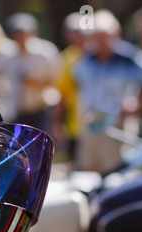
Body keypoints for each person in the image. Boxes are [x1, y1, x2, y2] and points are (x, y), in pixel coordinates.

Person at [73, 10, 142, 173]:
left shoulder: (128, 57)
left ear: (115, 34)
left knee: (117, 172)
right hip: (91, 125)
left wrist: (137, 109)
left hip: (118, 127)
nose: (101, 41)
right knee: (88, 169)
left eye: (105, 36)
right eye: (96, 36)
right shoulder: (87, 58)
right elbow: (79, 81)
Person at [3, 12, 62, 132]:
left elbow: (58, 81)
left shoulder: (46, 52)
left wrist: (35, 83)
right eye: (17, 34)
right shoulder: (8, 55)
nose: (21, 38)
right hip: (20, 111)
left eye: (23, 33)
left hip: (43, 109)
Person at [52, 12, 87, 162]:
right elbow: (62, 94)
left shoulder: (99, 55)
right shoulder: (67, 58)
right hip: (75, 125)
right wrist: (57, 123)